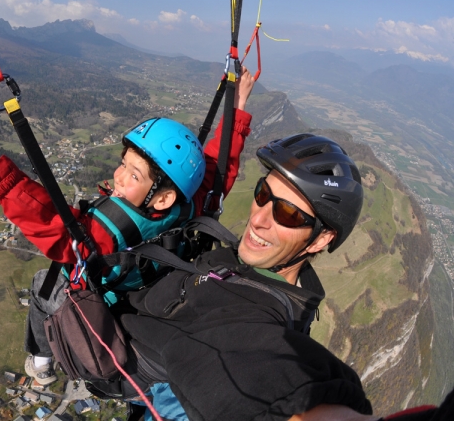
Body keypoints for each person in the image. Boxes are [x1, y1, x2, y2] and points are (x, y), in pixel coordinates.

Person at [0, 68, 256, 386]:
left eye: (134, 175)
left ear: (163, 198)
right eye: (123, 163)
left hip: (106, 300)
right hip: (148, 282)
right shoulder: (195, 200)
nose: (119, 176)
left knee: (42, 285)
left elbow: (41, 216)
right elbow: (221, 163)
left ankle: (41, 362)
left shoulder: (104, 234)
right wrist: (238, 104)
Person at [118, 133, 372, 420]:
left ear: (319, 240)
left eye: (287, 213)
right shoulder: (244, 263)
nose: (259, 219)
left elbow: (261, 377)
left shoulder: (258, 319)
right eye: (263, 194)